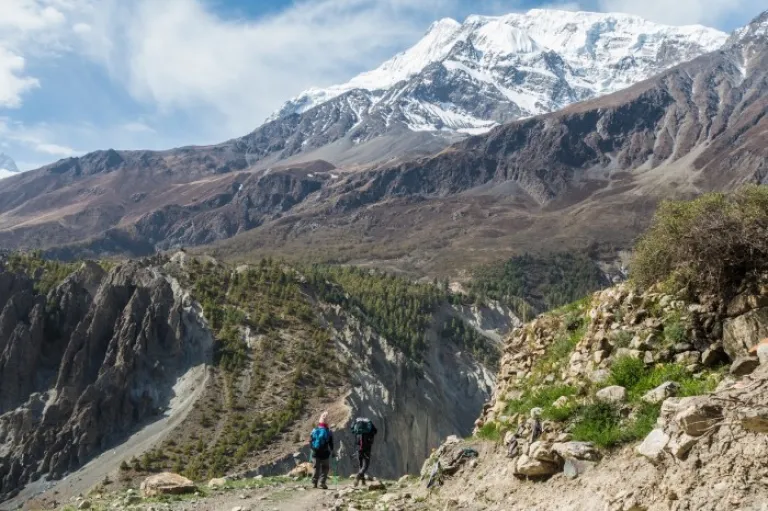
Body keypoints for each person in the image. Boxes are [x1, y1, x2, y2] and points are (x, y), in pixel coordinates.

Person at [309, 412, 335, 489]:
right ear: (327, 424)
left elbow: (310, 441)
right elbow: (331, 443)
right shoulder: (328, 432)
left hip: (315, 452)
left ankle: (314, 483)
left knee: (316, 468)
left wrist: (312, 449)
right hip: (325, 453)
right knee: (325, 468)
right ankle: (322, 483)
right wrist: (332, 451)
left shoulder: (314, 430)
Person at [351, 417, 377, 486]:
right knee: (365, 465)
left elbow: (352, 430)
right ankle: (358, 476)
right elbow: (375, 431)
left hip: (358, 447)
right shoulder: (369, 424)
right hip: (367, 447)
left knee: (361, 464)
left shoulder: (357, 425)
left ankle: (363, 482)